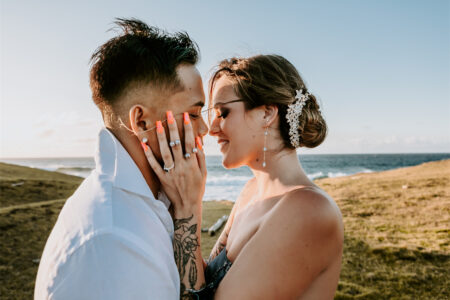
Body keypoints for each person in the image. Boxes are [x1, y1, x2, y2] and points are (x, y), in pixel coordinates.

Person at [34, 18, 209, 299]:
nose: (205, 129)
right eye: (195, 114)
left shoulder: (146, 203)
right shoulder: (114, 241)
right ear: (140, 122)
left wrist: (188, 209)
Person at [144, 54, 344, 299]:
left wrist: (188, 209)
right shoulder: (250, 192)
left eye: (223, 113)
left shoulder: (309, 211)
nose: (212, 129)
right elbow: (204, 284)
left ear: (267, 113)